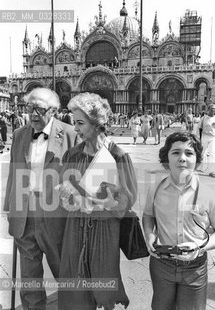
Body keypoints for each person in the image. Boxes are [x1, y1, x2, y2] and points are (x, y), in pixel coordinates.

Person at [57, 92, 137, 310]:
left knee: (103, 286)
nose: (76, 128)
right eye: (75, 122)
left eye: (80, 123)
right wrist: (66, 193)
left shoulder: (118, 156)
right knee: (74, 287)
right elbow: (65, 197)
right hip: (75, 227)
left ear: (97, 123)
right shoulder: (72, 155)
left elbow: (126, 202)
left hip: (104, 230)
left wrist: (98, 196)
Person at [3, 87, 77, 310]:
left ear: (53, 111)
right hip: (24, 215)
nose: (33, 113)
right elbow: (14, 175)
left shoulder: (71, 134)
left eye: (39, 109)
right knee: (30, 279)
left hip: (56, 216)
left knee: (65, 274)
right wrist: (9, 208)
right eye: (29, 108)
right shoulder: (19, 135)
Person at [142, 132, 215, 310]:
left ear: (198, 160)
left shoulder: (208, 194)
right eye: (175, 152)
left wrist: (200, 248)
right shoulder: (156, 188)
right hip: (162, 264)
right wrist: (150, 235)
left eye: (189, 153)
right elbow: (148, 216)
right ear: (166, 158)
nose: (182, 158)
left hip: (194, 268)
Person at [198, 103, 215, 177]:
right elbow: (199, 127)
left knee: (212, 153)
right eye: (212, 109)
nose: (213, 111)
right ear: (208, 110)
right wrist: (198, 137)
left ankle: (211, 170)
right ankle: (203, 167)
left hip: (213, 137)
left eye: (214, 110)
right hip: (205, 136)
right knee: (203, 151)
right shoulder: (204, 118)